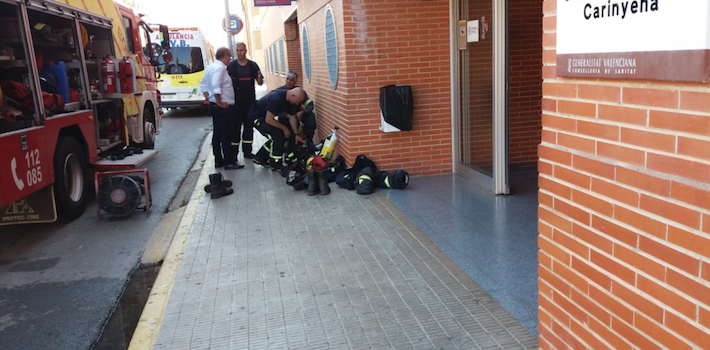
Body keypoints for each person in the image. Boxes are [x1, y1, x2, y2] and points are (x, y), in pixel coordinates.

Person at [199, 47, 244, 171]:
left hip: (214, 106)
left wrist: (211, 99)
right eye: (229, 56)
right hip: (223, 108)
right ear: (224, 55)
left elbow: (203, 85)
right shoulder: (220, 69)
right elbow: (215, 86)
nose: (230, 58)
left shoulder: (211, 67)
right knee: (226, 135)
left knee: (217, 134)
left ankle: (219, 160)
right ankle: (229, 162)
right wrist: (219, 102)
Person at [248, 87, 306, 171]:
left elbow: (292, 116)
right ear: (292, 95)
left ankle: (260, 157)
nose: (297, 103)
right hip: (256, 117)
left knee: (282, 134)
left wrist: (296, 134)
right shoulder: (276, 98)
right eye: (297, 101)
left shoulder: (289, 101)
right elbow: (269, 119)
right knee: (277, 135)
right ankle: (275, 164)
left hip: (265, 117)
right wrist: (284, 128)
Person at [227, 42, 263, 160]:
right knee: (235, 128)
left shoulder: (252, 66)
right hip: (236, 103)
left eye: (241, 50)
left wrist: (259, 79)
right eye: (237, 51)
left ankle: (247, 151)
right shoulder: (231, 66)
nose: (239, 53)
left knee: (248, 127)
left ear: (246, 51)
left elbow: (260, 82)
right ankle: (234, 154)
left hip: (249, 102)